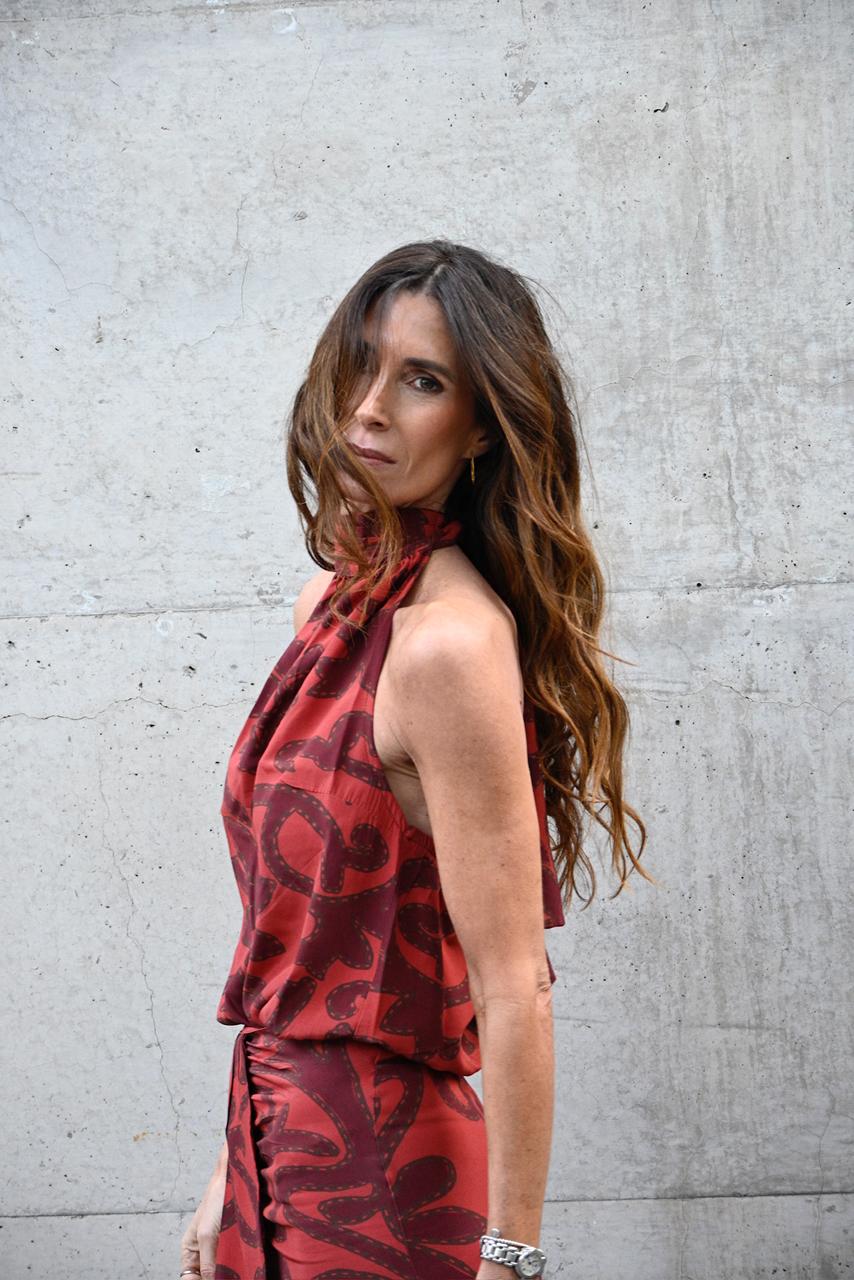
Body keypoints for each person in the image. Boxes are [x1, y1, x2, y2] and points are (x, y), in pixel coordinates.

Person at [179, 239, 651, 1280]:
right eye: (364, 364)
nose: (370, 408)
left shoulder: (448, 648)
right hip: (273, 1151)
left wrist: (510, 1258)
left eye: (422, 380)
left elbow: (514, 983)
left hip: (384, 1187)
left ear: (481, 428)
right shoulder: (329, 605)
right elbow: (298, 952)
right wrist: (230, 1169)